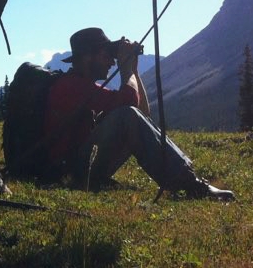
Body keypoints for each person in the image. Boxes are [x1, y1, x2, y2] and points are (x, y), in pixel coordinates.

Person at [42, 27, 235, 201]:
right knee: (126, 115)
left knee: (129, 115)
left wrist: (133, 69)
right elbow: (128, 109)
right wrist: (126, 69)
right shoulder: (70, 86)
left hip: (78, 166)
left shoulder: (87, 87)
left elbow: (141, 112)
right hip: (67, 171)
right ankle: (190, 185)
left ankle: (188, 181)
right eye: (106, 55)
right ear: (87, 57)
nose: (111, 61)